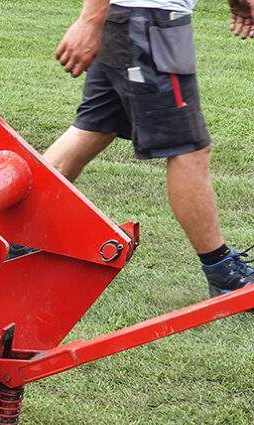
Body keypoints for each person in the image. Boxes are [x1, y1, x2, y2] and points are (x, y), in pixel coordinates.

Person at [42, 0, 253, 299]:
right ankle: (224, 274)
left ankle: (17, 237)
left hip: (131, 22)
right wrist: (90, 20)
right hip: (148, 25)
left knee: (94, 130)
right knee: (189, 151)